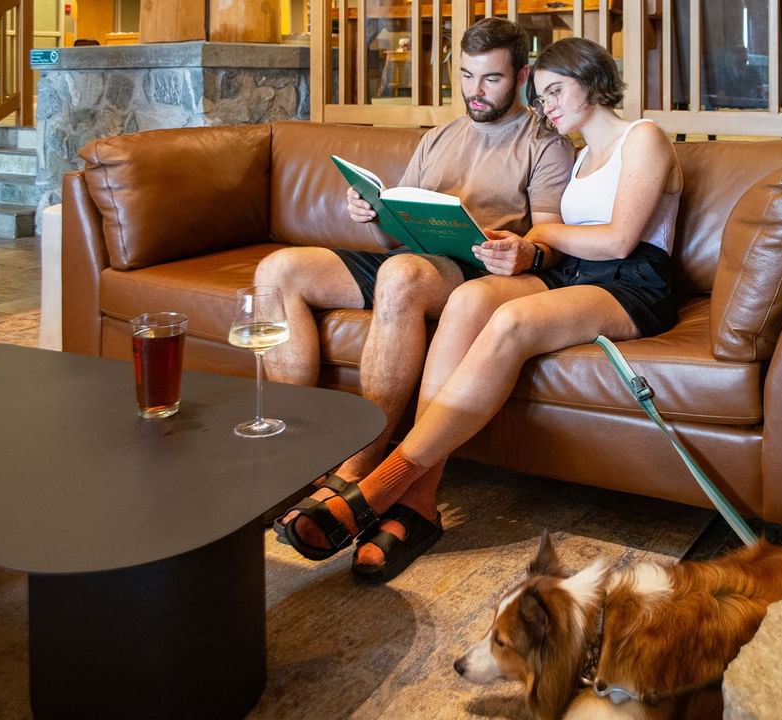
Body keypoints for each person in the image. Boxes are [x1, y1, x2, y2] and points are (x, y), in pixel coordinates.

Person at [281, 36, 684, 581]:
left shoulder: (644, 137)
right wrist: (522, 243)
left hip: (633, 281)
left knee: (511, 321)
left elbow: (618, 241)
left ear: (591, 80)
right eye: (542, 96)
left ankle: (380, 487)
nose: (547, 106)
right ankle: (420, 499)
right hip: (574, 273)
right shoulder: (582, 155)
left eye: (555, 91)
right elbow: (563, 244)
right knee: (468, 299)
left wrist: (539, 235)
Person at [258, 17, 574, 536]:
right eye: (466, 76)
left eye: (491, 78)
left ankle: (359, 465)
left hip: (477, 270)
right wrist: (372, 214)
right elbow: (393, 236)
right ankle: (299, 455)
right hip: (412, 258)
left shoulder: (545, 143)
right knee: (279, 270)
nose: (475, 90)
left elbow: (550, 238)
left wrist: (524, 252)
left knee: (402, 273)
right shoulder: (439, 138)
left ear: (522, 77)